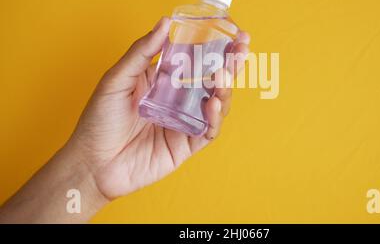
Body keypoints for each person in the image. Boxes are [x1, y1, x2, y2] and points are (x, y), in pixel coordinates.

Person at [0, 17, 250, 223]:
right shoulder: (189, 15)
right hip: (145, 115)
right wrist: (89, 170)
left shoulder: (205, 24)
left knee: (216, 82)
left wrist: (91, 175)